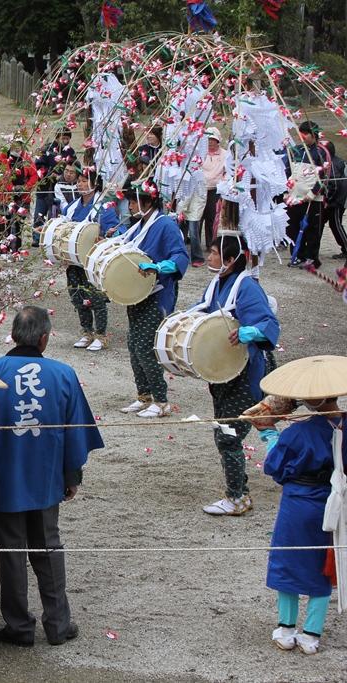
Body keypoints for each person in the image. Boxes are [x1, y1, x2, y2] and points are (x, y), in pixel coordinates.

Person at [0, 306, 104, 648]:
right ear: (44, 339)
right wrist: (72, 475)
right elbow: (75, 431)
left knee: (10, 551)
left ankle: (19, 626)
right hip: (46, 476)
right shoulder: (63, 374)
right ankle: (58, 624)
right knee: (49, 547)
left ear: (12, 336)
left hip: (4, 477)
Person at [254, 368, 346, 655]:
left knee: (289, 559)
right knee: (324, 560)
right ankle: (311, 635)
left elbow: (275, 467)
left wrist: (269, 434)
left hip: (300, 501)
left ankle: (286, 630)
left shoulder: (298, 431)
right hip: (336, 499)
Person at [197, 234, 279, 515]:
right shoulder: (216, 284)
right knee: (225, 429)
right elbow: (203, 312)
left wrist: (251, 331)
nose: (209, 257)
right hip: (225, 371)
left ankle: (237, 497)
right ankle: (239, 490)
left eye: (214, 253)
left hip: (247, 370)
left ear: (230, 260)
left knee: (228, 434)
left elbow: (269, 323)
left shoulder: (247, 287)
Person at [121, 180, 190, 418]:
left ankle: (161, 400)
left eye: (133, 201)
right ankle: (145, 395)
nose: (129, 206)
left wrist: (158, 266)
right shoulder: (139, 225)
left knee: (144, 345)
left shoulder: (166, 225)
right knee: (133, 343)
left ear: (148, 202)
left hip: (157, 291)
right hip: (137, 291)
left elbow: (180, 257)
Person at [60, 168, 121, 352]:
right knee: (78, 295)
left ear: (95, 185)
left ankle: (101, 335)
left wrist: (106, 237)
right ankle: (86, 331)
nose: (80, 184)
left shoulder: (103, 208)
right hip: (74, 260)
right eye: (79, 180)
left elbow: (118, 232)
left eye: (85, 181)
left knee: (96, 297)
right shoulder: (71, 207)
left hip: (92, 261)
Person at [287, 122, 330, 269]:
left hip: (312, 198)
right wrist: (288, 191)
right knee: (293, 227)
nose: (303, 137)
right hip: (295, 196)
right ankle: (298, 254)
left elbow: (324, 176)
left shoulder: (320, 152)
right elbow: (289, 171)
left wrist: (312, 194)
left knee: (312, 229)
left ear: (314, 134)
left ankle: (312, 257)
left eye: (307, 133)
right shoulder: (297, 150)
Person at [33, 130, 76, 247]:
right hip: (45, 186)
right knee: (40, 211)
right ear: (57, 138)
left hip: (62, 187)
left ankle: (54, 236)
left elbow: (74, 165)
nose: (65, 141)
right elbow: (38, 166)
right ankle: (37, 237)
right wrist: (48, 173)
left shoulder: (70, 151)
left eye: (67, 139)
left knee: (57, 212)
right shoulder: (46, 149)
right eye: (63, 138)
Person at [200, 126, 227, 248]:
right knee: (198, 216)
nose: (210, 142)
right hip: (201, 188)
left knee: (211, 217)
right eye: (208, 139)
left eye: (213, 139)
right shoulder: (199, 153)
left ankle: (211, 243)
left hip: (215, 189)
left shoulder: (225, 155)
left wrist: (223, 183)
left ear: (218, 141)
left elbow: (228, 171)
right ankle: (196, 243)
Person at [321, 141, 347, 260]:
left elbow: (335, 185)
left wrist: (328, 199)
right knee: (320, 224)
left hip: (336, 201)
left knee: (335, 224)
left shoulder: (334, 164)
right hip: (330, 199)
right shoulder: (328, 163)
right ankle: (312, 249)